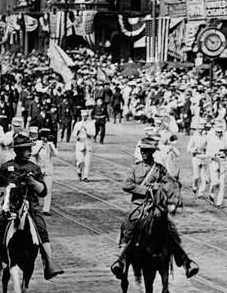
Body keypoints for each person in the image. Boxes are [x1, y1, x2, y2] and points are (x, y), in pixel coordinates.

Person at [110, 133, 199, 280]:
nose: (144, 153)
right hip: (139, 205)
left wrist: (162, 186)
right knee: (128, 225)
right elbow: (126, 185)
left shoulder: (159, 169)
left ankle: (185, 262)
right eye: (142, 150)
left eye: (147, 151)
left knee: (171, 230)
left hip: (156, 205)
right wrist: (145, 189)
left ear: (152, 152)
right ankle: (121, 260)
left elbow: (168, 182)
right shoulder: (135, 168)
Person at [0, 133, 64, 281]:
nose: (29, 151)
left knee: (41, 227)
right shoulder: (6, 168)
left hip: (31, 206)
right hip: (10, 204)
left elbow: (43, 191)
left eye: (29, 148)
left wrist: (33, 182)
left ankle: (48, 261)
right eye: (26, 149)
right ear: (18, 151)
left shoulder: (35, 168)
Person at [71, 109, 92, 181]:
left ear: (87, 116)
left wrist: (86, 130)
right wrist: (77, 137)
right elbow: (74, 134)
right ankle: (79, 171)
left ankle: (85, 176)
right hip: (80, 144)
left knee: (87, 162)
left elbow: (93, 133)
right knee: (80, 161)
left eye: (85, 116)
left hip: (88, 145)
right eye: (82, 116)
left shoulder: (91, 124)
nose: (84, 118)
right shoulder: (78, 124)